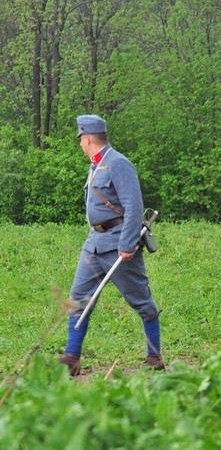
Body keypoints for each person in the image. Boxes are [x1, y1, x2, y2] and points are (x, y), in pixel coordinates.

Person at [58, 114, 163, 376]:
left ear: (88, 138)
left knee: (141, 300)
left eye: (81, 139)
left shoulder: (118, 163)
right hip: (94, 243)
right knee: (79, 298)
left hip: (119, 244)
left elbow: (133, 206)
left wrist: (127, 244)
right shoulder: (96, 164)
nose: (80, 144)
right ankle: (71, 357)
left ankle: (154, 356)